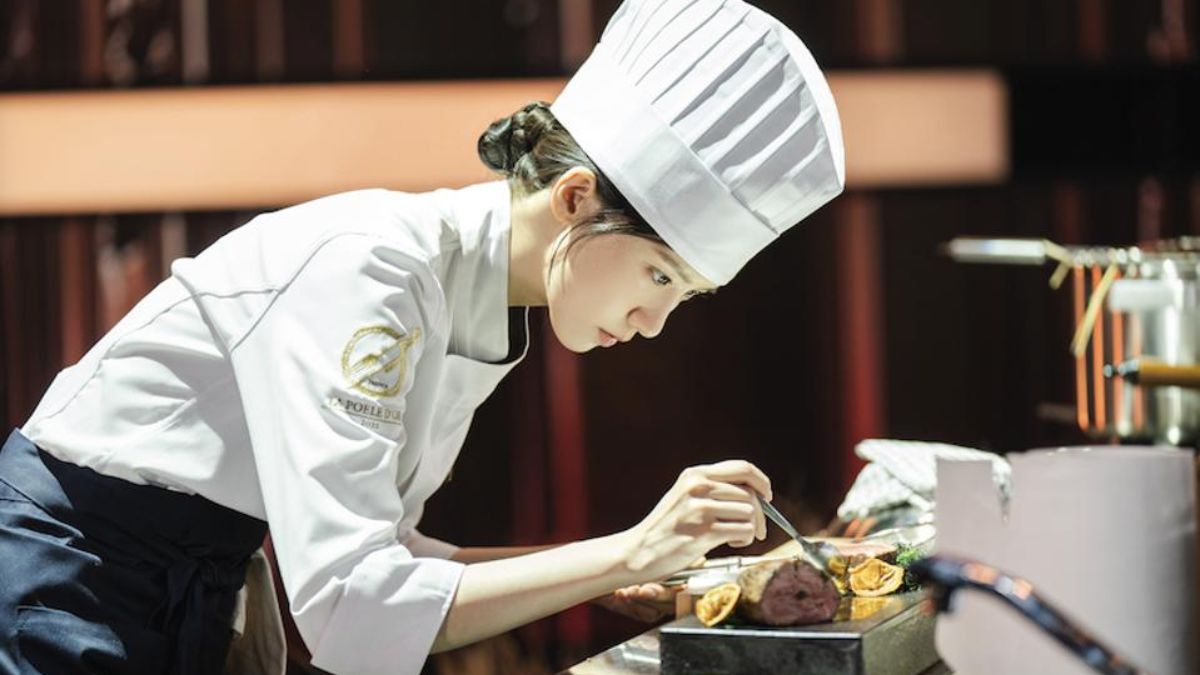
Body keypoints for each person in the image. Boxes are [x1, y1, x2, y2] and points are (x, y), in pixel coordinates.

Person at [0, 0, 845, 673]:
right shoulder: (373, 269)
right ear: (576, 197)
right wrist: (620, 552)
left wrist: (621, 567)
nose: (655, 322)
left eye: (685, 297)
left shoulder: (486, 303)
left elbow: (390, 555)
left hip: (186, 583)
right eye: (660, 276)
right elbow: (350, 616)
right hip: (65, 577)